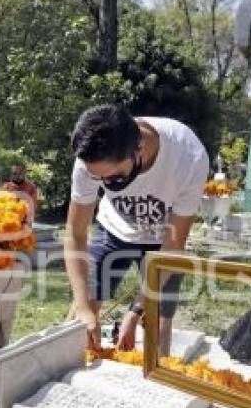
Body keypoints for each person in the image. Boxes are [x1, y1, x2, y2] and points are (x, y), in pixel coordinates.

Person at [64, 105, 209, 351]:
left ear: (138, 148)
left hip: (163, 239)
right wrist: (83, 307)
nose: (105, 183)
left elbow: (173, 246)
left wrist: (136, 311)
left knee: (156, 320)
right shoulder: (87, 162)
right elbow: (75, 234)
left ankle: (157, 380)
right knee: (80, 320)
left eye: (113, 177)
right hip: (113, 230)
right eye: (98, 178)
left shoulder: (188, 157)